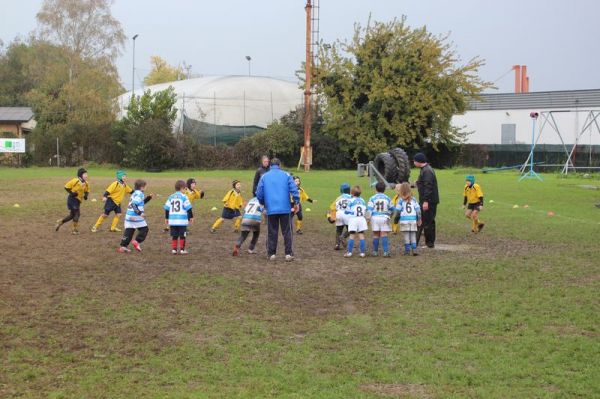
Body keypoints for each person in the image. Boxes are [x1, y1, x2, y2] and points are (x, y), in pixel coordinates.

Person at [256, 158, 300, 261]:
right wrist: (296, 202)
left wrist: (262, 203)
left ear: (270, 166)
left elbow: (259, 193)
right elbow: (294, 189)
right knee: (287, 231)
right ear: (279, 165)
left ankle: (271, 254)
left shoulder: (264, 176)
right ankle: (288, 254)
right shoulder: (286, 175)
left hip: (271, 208)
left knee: (272, 231)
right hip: (285, 208)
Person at [118, 179, 152, 253]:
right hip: (135, 215)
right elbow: (134, 204)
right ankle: (137, 241)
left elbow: (139, 203)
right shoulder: (140, 194)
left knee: (129, 230)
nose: (146, 188)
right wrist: (140, 213)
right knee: (144, 229)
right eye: (145, 186)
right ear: (142, 187)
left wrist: (148, 198)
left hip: (129, 215)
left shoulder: (134, 193)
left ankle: (123, 247)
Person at [414, 153, 439, 248]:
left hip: (429, 201)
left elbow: (429, 187)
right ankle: (422, 242)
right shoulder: (424, 169)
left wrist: (425, 201)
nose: (413, 162)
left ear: (418, 161)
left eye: (414, 160)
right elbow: (423, 183)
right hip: (428, 200)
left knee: (428, 222)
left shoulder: (427, 171)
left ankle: (429, 243)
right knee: (425, 221)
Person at [55, 168, 90, 235]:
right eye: (85, 174)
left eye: (87, 174)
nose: (86, 175)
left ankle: (61, 222)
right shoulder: (75, 180)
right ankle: (74, 230)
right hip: (72, 199)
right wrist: (72, 193)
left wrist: (86, 195)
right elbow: (66, 187)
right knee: (77, 214)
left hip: (78, 201)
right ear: (80, 175)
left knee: (72, 215)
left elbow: (87, 191)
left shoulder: (86, 183)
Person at [164, 180, 194, 254]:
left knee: (174, 235)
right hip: (182, 221)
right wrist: (191, 217)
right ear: (182, 188)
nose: (185, 190)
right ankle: (182, 250)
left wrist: (166, 218)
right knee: (182, 235)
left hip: (173, 220)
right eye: (185, 189)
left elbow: (167, 208)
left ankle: (174, 249)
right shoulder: (184, 197)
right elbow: (189, 208)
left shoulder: (171, 196)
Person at [367, 182, 393, 257]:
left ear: (375, 189)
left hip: (375, 218)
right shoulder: (387, 198)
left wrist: (368, 219)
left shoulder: (372, 198)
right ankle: (385, 252)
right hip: (384, 217)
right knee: (384, 234)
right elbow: (392, 208)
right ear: (384, 189)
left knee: (376, 234)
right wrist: (390, 215)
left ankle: (375, 252)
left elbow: (369, 210)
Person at [395, 182, 422, 256]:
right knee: (413, 235)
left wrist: (396, 220)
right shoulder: (414, 199)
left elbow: (397, 211)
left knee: (406, 236)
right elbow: (418, 211)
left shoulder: (400, 200)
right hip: (413, 219)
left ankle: (407, 251)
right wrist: (419, 219)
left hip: (404, 220)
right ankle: (414, 249)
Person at [344, 185, 368, 258]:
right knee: (361, 235)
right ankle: (362, 253)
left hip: (353, 219)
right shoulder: (363, 200)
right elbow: (365, 210)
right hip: (361, 219)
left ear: (352, 193)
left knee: (352, 236)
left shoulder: (350, 201)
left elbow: (346, 211)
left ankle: (349, 252)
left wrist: (349, 212)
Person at [327, 183, 352, 250]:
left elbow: (332, 207)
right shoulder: (351, 197)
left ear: (341, 190)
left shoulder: (338, 198)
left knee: (338, 230)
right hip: (347, 214)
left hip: (339, 213)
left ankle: (337, 244)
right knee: (350, 229)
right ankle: (343, 236)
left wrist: (331, 216)